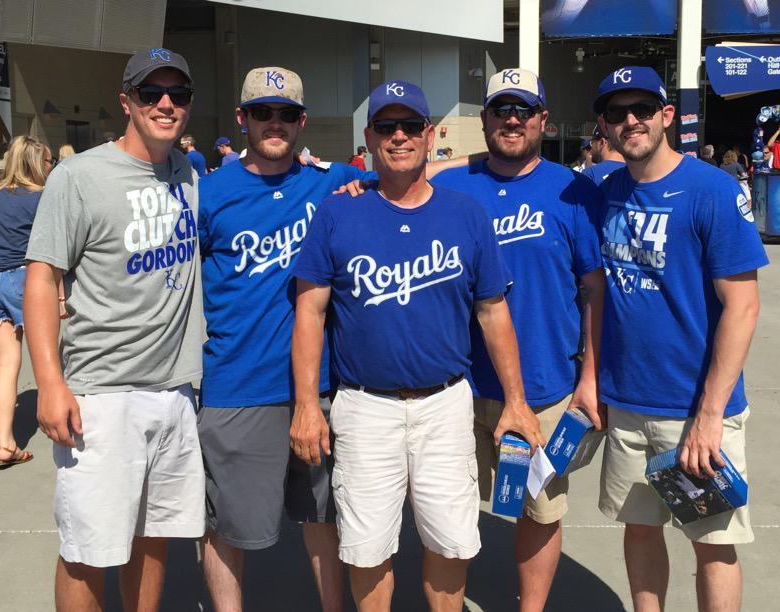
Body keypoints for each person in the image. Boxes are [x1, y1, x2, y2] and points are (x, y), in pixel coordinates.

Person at [291, 80, 542, 612]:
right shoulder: (339, 212)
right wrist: (308, 404)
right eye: (387, 126)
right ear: (370, 136)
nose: (399, 136)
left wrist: (517, 402)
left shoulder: (465, 213)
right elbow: (310, 312)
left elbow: (493, 312)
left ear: (430, 135)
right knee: (365, 550)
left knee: (450, 544)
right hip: (364, 408)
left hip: (445, 404)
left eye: (410, 126)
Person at [23, 47, 204, 611]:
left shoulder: (187, 172)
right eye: (152, 93)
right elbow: (41, 279)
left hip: (174, 391)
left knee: (153, 537)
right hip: (101, 395)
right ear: (127, 102)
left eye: (178, 94)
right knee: (88, 547)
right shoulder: (79, 176)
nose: (166, 104)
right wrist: (50, 383)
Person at [591, 66, 768, 612]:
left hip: (695, 411)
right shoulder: (604, 189)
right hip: (626, 405)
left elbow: (743, 305)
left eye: (642, 109)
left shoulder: (711, 190)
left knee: (713, 545)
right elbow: (509, 167)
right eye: (617, 113)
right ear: (604, 127)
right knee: (640, 530)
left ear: (666, 115)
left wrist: (710, 414)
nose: (631, 121)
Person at [430, 67, 605, 612]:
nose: (512, 119)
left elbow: (595, 293)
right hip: (457, 385)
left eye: (523, 110)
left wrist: (591, 380)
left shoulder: (573, 191)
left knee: (541, 509)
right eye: (501, 109)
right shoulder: (450, 184)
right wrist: (351, 178)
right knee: (448, 512)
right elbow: (391, 177)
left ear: (542, 119)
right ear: (483, 119)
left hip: (545, 386)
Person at [197, 66, 371, 612]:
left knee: (323, 514)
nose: (276, 124)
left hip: (320, 386)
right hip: (237, 383)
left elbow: (414, 170)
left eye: (288, 114)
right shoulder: (207, 193)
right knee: (231, 523)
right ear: (242, 119)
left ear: (302, 121)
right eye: (263, 113)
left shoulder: (333, 180)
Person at [0, 135, 53, 467]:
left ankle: (6, 442)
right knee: (48, 359)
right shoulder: (41, 199)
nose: (52, 166)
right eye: (49, 161)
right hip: (26, 280)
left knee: (6, 365)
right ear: (37, 163)